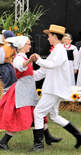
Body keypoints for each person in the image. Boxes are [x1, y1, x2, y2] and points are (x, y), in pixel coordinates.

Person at [0, 35, 61, 151]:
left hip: (28, 90)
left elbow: (31, 74)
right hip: (22, 91)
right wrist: (30, 60)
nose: (30, 46)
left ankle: (47, 137)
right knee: (21, 117)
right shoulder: (19, 58)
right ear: (23, 46)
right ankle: (3, 142)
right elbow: (20, 67)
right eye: (29, 44)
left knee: (37, 114)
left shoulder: (23, 57)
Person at [30, 24, 81, 152]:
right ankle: (78, 135)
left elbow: (52, 65)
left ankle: (38, 145)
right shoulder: (56, 51)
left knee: (38, 112)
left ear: (54, 36)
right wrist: (27, 76)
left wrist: (38, 60)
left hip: (54, 88)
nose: (48, 39)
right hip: (54, 88)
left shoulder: (59, 50)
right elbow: (43, 71)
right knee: (54, 116)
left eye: (49, 36)